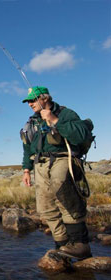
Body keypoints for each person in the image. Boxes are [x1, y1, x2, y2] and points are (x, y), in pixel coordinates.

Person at [21, 86, 92, 260]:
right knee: (45, 207)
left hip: (63, 159)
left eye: (33, 99)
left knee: (66, 199)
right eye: (28, 101)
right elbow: (27, 147)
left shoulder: (65, 113)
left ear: (45, 98)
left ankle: (80, 245)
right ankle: (62, 245)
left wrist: (54, 120)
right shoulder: (32, 122)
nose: (30, 104)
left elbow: (82, 135)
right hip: (40, 164)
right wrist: (26, 169)